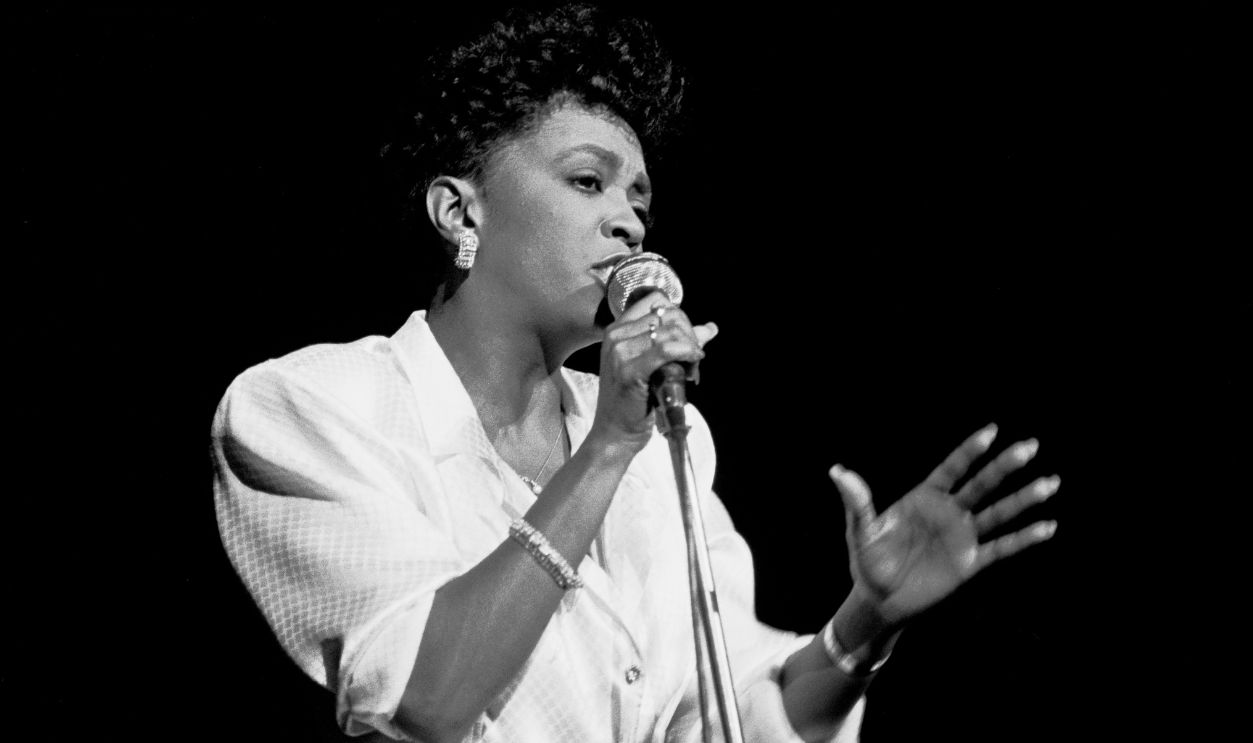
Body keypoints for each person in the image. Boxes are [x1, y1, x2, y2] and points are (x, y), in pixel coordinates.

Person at [211, 4, 1060, 741]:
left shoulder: (666, 440)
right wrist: (608, 447)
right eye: (588, 181)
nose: (627, 221)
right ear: (458, 209)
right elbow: (426, 698)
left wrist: (862, 623)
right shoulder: (309, 406)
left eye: (640, 201)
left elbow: (728, 717)